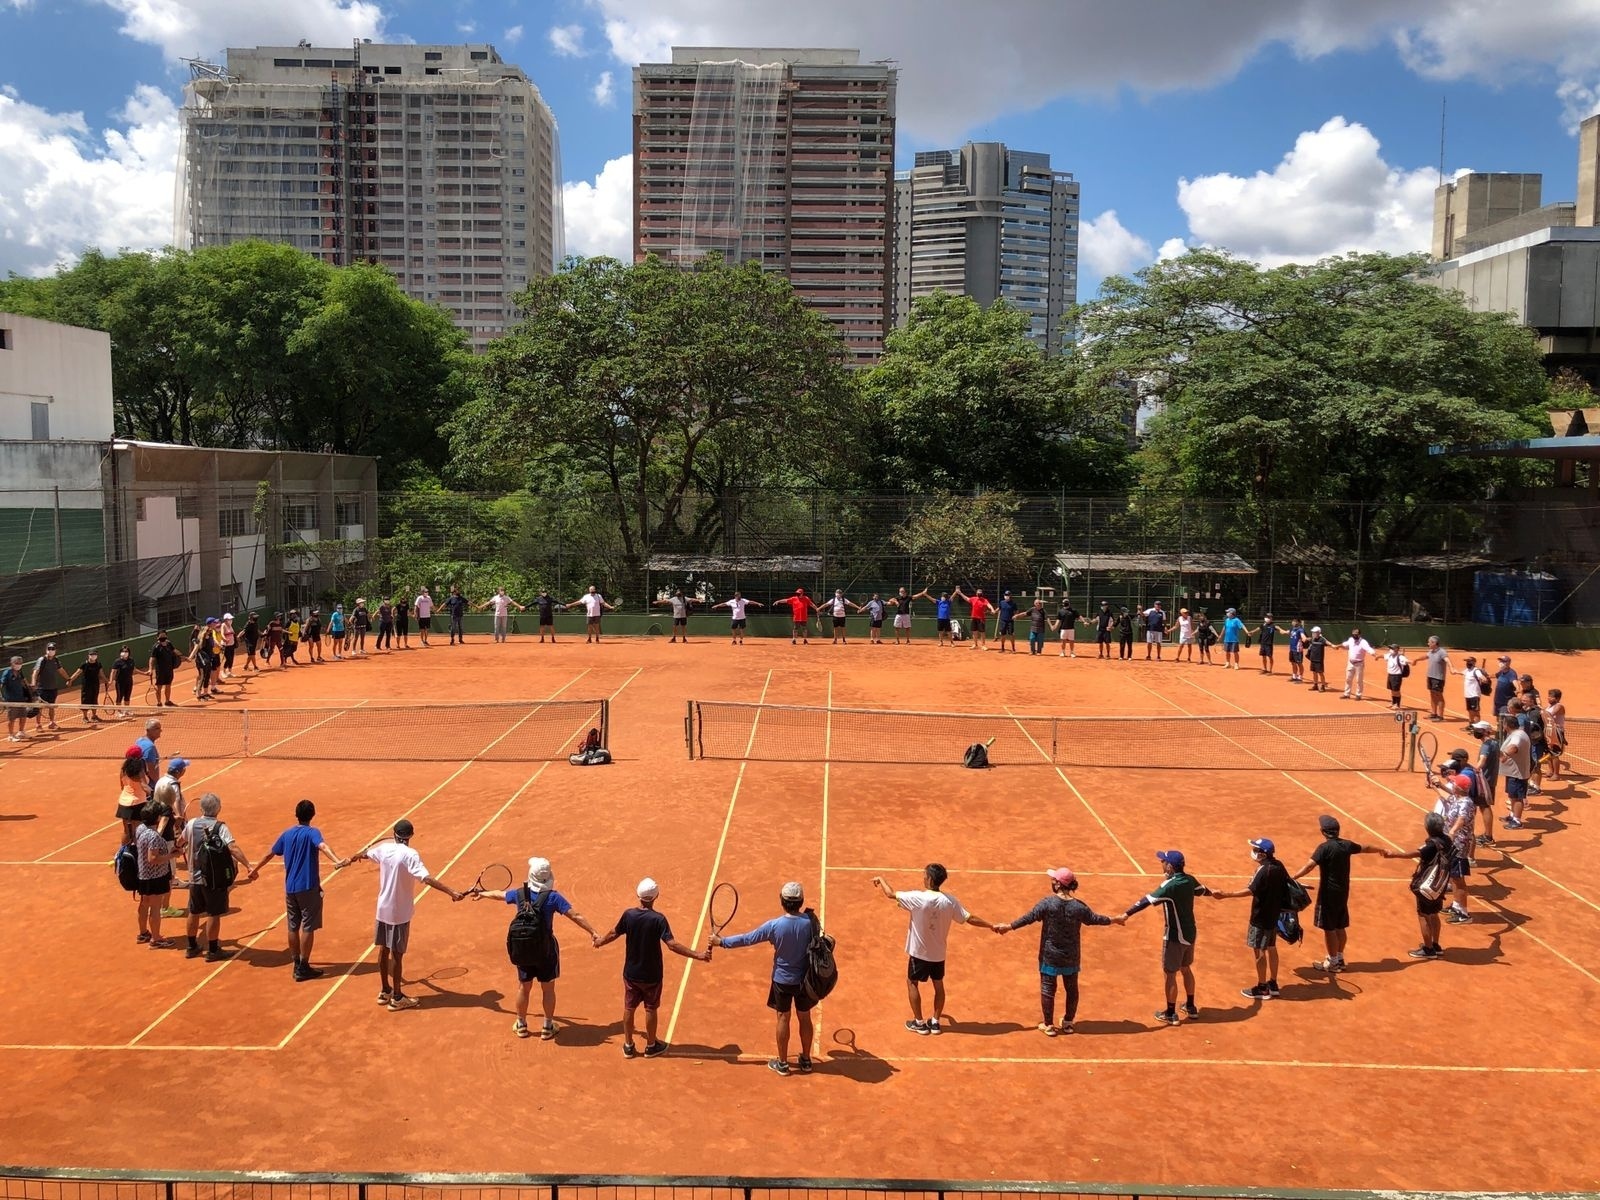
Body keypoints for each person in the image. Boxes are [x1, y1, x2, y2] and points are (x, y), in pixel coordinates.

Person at [472, 856, 598, 1039]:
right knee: (548, 989)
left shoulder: (519, 894)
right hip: (545, 951)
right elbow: (575, 915)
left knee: (524, 987)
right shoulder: (553, 897)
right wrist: (593, 932)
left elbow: (499, 894)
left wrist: (482, 894)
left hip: (523, 948)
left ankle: (521, 1024)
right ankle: (547, 1027)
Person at [347, 819, 462, 1010]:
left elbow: (365, 854)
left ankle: (385, 990)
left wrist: (353, 857)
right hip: (399, 912)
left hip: (382, 909)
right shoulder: (411, 855)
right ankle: (397, 997)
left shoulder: (383, 849)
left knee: (383, 950)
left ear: (395, 834)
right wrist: (451, 892)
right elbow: (426, 878)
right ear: (410, 836)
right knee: (397, 955)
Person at [993, 868, 1123, 1035]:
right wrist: (1115, 920)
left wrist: (1009, 926)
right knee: (1072, 989)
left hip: (1049, 955)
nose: (1052, 881)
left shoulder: (1047, 904)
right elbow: (1095, 919)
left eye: (1054, 879)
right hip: (1071, 956)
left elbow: (1029, 917)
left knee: (1048, 988)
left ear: (1059, 884)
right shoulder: (1079, 907)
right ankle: (1068, 1023)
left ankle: (1048, 1025)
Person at [711, 881, 821, 1076]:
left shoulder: (775, 926)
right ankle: (805, 1060)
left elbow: (748, 938)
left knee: (783, 1017)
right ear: (801, 901)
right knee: (805, 1017)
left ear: (782, 901)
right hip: (805, 980)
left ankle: (783, 1063)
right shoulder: (810, 923)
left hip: (782, 981)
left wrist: (722, 942)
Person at [592, 877, 711, 1057]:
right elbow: (672, 944)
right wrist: (698, 955)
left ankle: (628, 1045)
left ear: (638, 896)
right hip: (652, 975)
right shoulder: (658, 919)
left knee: (629, 1008)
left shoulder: (628, 915)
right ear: (656, 897)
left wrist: (600, 942)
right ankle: (651, 1045)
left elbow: (613, 933)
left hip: (631, 973)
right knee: (650, 1008)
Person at [870, 865, 992, 1035]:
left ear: (930, 879)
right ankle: (935, 1022)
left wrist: (881, 879)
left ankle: (919, 1023)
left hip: (919, 954)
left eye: (924, 875)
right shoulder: (950, 901)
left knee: (912, 982)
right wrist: (991, 926)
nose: (923, 877)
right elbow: (969, 918)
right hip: (938, 955)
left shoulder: (918, 898)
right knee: (938, 985)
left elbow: (890, 894)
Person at [256, 798, 345, 981]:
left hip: (290, 888)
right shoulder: (313, 833)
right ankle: (304, 965)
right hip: (308, 886)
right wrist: (337, 861)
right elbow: (322, 846)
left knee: (292, 925)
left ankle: (296, 963)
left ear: (296, 815)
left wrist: (254, 870)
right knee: (308, 926)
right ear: (312, 815)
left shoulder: (287, 834)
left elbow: (270, 853)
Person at [1123, 850, 1211, 1026]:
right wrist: (1217, 892)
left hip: (1174, 937)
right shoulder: (1189, 879)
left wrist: (1126, 914)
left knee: (1170, 974)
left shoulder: (1170, 885)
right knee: (1186, 968)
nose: (1161, 864)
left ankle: (1171, 1013)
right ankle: (1191, 1007)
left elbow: (1146, 901)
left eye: (1163, 861)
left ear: (1170, 866)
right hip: (1190, 933)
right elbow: (1203, 891)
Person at [1290, 815, 1384, 972]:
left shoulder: (1324, 848)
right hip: (1343, 892)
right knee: (1340, 926)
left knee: (1329, 928)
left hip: (1328, 894)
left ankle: (1333, 962)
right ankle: (1339, 958)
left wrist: (1293, 877)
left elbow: (1309, 866)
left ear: (1323, 832)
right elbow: (1365, 848)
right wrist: (1380, 849)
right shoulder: (1346, 845)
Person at [1206, 837, 1289, 1001]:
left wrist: (1226, 895)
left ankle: (1262, 987)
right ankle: (1273, 983)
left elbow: (1250, 890)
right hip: (1273, 916)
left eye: (1257, 850)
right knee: (1271, 947)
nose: (1254, 852)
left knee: (1259, 951)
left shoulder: (1263, 870)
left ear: (1263, 854)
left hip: (1260, 917)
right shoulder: (1279, 866)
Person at [183, 791, 258, 962]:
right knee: (213, 913)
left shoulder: (192, 823)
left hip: (194, 878)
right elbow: (233, 848)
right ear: (219, 809)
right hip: (215, 880)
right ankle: (213, 950)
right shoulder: (220, 827)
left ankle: (191, 946)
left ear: (201, 808)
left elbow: (181, 842)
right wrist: (248, 865)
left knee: (194, 911)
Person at [1381, 812, 1452, 959]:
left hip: (1427, 885)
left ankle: (1428, 949)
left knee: (1423, 915)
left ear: (1428, 828)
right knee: (1434, 913)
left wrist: (1393, 855)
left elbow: (1413, 854)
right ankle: (1436, 945)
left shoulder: (1432, 845)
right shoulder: (1447, 840)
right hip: (1439, 884)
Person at [134, 800, 182, 948]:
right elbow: (153, 858)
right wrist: (171, 856)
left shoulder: (140, 829)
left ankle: (143, 933)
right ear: (157, 818)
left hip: (143, 874)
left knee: (144, 903)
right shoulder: (154, 836)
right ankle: (156, 939)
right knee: (155, 907)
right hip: (156, 876)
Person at [1431, 773, 1477, 925]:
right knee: (1453, 876)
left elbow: (1462, 819)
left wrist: (1452, 832)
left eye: (1454, 783)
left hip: (1458, 844)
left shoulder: (1466, 803)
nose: (1452, 784)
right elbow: (1446, 796)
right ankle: (1457, 905)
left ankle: (1463, 913)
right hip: (1453, 843)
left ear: (1459, 787)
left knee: (1458, 879)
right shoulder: (1458, 798)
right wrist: (1435, 786)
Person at [1468, 720, 1500, 847]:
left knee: (1484, 807)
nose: (1476, 731)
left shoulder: (1486, 745)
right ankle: (1488, 835)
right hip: (1491, 779)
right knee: (1484, 806)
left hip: (1483, 780)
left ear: (1485, 731)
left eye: (1478, 729)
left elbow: (1482, 760)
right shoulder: (1495, 743)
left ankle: (1488, 836)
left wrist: (1474, 770)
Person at [1499, 712, 1531, 831]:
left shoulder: (1518, 735)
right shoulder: (1517, 733)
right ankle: (1512, 816)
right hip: (1512, 772)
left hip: (1518, 773)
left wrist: (1505, 755)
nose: (1503, 726)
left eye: (1503, 724)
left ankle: (1517, 821)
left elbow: (1514, 747)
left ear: (1507, 725)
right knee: (1512, 795)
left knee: (1517, 797)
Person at [29, 641, 68, 730]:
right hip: (42, 688)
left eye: (53, 649)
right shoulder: (42, 660)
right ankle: (38, 724)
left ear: (55, 650)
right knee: (40, 707)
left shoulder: (56, 660)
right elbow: (35, 673)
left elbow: (61, 670)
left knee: (51, 706)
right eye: (49, 649)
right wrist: (33, 684)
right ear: (46, 650)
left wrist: (68, 679)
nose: (51, 650)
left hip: (53, 688)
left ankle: (52, 723)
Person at [65, 649, 105, 723]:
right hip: (86, 686)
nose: (93, 656)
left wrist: (106, 681)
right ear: (88, 655)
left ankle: (94, 716)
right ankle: (85, 717)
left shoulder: (98, 664)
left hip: (95, 685)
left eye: (95, 654)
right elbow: (77, 673)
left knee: (94, 700)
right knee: (85, 701)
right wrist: (70, 680)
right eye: (92, 654)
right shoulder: (84, 664)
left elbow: (101, 674)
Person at [115, 753, 146, 846]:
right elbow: (145, 785)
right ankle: (137, 853)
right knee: (138, 830)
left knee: (127, 831)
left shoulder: (123, 770)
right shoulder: (139, 772)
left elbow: (122, 786)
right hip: (137, 803)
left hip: (124, 802)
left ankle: (123, 852)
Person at [952, 585, 993, 651]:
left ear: (982, 594)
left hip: (981, 619)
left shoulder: (984, 600)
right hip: (974, 618)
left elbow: (989, 605)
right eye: (978, 593)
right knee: (974, 632)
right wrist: (960, 593)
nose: (979, 594)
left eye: (980, 593)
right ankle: (975, 644)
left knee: (982, 632)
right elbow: (966, 599)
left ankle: (983, 645)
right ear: (976, 594)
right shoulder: (973, 599)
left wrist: (992, 609)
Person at [153, 755, 190, 824]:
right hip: (171, 818)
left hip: (160, 815)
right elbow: (177, 801)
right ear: (178, 772)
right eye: (184, 768)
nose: (185, 770)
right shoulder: (174, 784)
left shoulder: (160, 780)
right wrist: (179, 817)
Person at [147, 630, 181, 707]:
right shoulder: (156, 647)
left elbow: (174, 650)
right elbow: (152, 659)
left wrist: (183, 656)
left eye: (164, 636)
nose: (163, 637)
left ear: (166, 636)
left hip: (169, 669)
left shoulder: (169, 644)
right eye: (161, 636)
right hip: (160, 670)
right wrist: (150, 669)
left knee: (168, 685)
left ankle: (167, 701)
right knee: (159, 686)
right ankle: (159, 703)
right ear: (157, 637)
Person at [1422, 636, 1451, 722]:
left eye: (1429, 642)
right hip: (1430, 676)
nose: (1428, 644)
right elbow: (1425, 656)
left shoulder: (1442, 652)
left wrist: (1451, 668)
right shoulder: (1431, 651)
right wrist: (1416, 660)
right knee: (1432, 694)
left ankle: (1441, 716)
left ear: (1434, 643)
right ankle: (1433, 714)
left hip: (1438, 678)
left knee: (1438, 696)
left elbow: (1447, 660)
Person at [1340, 627, 1374, 700]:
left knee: (1359, 680)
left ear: (1359, 634)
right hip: (1350, 663)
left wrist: (1374, 654)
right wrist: (1337, 646)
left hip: (1359, 664)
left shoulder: (1363, 642)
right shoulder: (1351, 640)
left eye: (1356, 634)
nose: (1355, 636)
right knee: (1348, 679)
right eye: (1353, 634)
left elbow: (1368, 649)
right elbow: (1344, 644)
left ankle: (1358, 695)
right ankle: (1346, 694)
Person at [1, 655, 28, 742]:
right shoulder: (7, 673)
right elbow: (1, 684)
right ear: (11, 664)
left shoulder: (19, 671)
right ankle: (11, 735)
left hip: (21, 698)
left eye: (20, 663)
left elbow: (24, 682)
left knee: (23, 716)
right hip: (11, 700)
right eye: (16, 663)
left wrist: (30, 688)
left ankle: (21, 732)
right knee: (11, 719)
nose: (18, 665)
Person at [108, 646, 140, 718]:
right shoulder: (117, 662)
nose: (124, 653)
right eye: (123, 651)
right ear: (120, 653)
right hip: (120, 682)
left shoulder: (131, 660)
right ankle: (118, 712)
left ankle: (127, 710)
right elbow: (113, 672)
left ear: (129, 653)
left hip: (129, 681)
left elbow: (134, 669)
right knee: (119, 697)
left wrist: (144, 673)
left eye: (126, 651)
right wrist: (110, 681)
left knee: (127, 696)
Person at [1544, 688, 1568, 782]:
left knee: (1554, 753)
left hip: (1557, 732)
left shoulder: (1559, 706)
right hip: (1549, 731)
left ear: (1557, 699)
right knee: (1548, 752)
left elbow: (1549, 715)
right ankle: (1550, 771)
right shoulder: (1548, 706)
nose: (1549, 698)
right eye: (1548, 696)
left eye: (1551, 696)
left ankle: (1556, 774)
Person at [1459, 655, 1490, 726]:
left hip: (1474, 695)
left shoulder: (1476, 671)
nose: (1467, 663)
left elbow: (1484, 679)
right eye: (1467, 661)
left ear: (1473, 662)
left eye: (1469, 661)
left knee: (1475, 712)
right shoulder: (1467, 670)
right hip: (1468, 695)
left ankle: (1477, 727)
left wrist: (1484, 679)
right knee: (1470, 711)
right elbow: (1457, 672)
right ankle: (1471, 725)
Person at [135, 718, 162, 792]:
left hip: (140, 782)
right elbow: (150, 769)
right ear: (148, 730)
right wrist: (157, 783)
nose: (160, 730)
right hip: (149, 785)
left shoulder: (139, 740)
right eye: (157, 728)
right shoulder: (150, 747)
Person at [1383, 643, 1408, 709]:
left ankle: (1397, 705)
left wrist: (1413, 662)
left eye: (1392, 648)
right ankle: (1393, 703)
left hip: (1396, 676)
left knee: (1396, 691)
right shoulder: (1389, 655)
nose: (1390, 649)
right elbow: (1383, 656)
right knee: (1392, 690)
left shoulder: (1400, 657)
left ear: (1396, 649)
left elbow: (1407, 661)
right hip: (1390, 675)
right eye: (1390, 648)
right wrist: (1376, 656)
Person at [1304, 625, 1329, 691]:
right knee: (1314, 673)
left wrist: (1333, 646)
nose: (1313, 633)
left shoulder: (1322, 639)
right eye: (1312, 632)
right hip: (1313, 659)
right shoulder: (1312, 639)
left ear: (1318, 632)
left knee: (1320, 673)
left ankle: (1323, 686)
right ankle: (1315, 685)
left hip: (1319, 660)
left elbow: (1328, 643)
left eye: (1314, 632)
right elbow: (1308, 640)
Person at [1286, 618, 1306, 683]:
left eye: (1295, 621)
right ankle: (1294, 676)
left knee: (1299, 663)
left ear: (1298, 623)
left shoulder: (1300, 630)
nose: (1293, 622)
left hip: (1298, 650)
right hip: (1292, 649)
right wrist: (1279, 629)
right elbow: (1286, 632)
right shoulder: (1292, 629)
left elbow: (1303, 636)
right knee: (1293, 663)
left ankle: (1300, 677)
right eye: (1293, 621)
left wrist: (1304, 638)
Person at [219, 613, 238, 678]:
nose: (231, 620)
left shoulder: (231, 626)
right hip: (225, 645)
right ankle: (223, 671)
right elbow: (222, 634)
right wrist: (225, 639)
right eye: (229, 619)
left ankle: (229, 672)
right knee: (228, 659)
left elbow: (233, 634)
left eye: (231, 619)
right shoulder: (223, 625)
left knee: (231, 658)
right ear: (226, 620)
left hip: (231, 644)